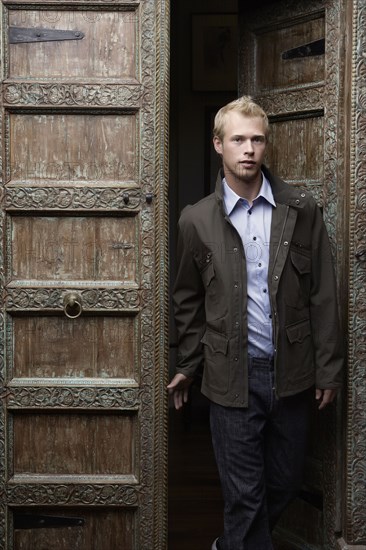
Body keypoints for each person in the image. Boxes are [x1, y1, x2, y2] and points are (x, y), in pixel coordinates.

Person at [167, 96, 344, 549]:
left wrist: (328, 368)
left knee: (284, 483)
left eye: (257, 139)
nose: (248, 149)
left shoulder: (301, 210)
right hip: (231, 377)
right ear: (218, 144)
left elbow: (324, 293)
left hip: (293, 374)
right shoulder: (196, 220)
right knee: (244, 498)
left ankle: (230, 545)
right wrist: (188, 362)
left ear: (267, 145)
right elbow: (187, 298)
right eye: (238, 139)